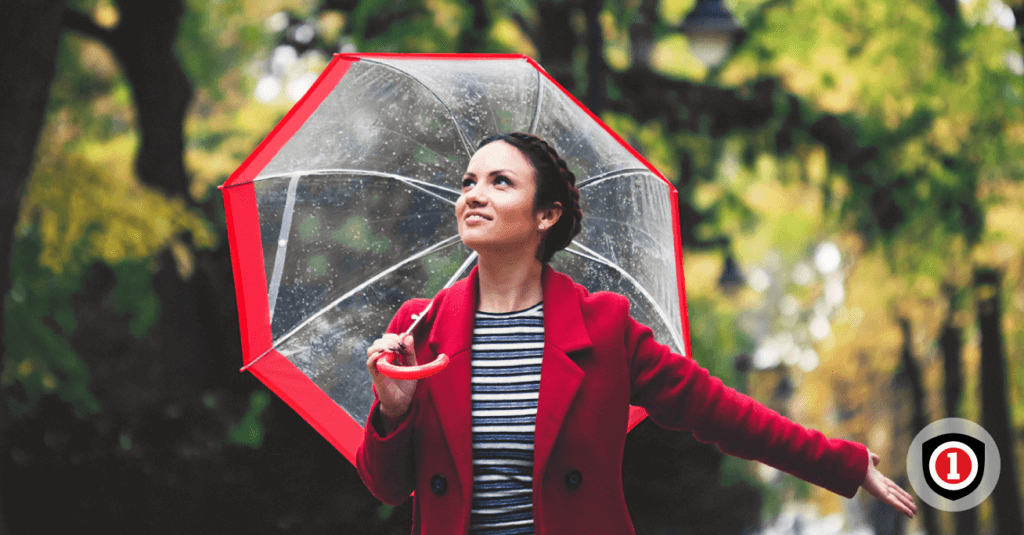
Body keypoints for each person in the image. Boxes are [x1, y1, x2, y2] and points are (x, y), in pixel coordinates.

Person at [357, 132, 916, 534]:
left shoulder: (603, 327)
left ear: (545, 216)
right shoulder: (418, 328)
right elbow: (386, 488)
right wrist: (392, 412)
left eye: (500, 182)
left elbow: (721, 413)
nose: (473, 194)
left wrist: (842, 461)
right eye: (468, 182)